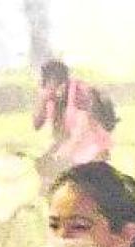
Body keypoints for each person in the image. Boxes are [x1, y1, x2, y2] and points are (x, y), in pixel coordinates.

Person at [33, 59, 113, 189]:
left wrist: (62, 153)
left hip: (92, 146)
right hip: (69, 146)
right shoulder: (53, 97)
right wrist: (42, 100)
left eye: (48, 84)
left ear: (60, 83)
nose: (46, 87)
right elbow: (37, 124)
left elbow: (81, 132)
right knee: (43, 167)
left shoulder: (80, 94)